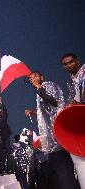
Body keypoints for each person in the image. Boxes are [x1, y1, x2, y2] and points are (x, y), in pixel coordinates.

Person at [25, 71, 79, 189]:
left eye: (35, 76)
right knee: (57, 176)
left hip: (58, 138)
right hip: (50, 142)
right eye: (30, 78)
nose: (32, 79)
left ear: (42, 77)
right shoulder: (40, 91)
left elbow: (54, 102)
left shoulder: (48, 85)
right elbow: (46, 110)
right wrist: (33, 112)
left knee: (64, 173)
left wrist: (38, 86)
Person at [61, 53, 85, 189]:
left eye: (71, 62)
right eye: (65, 64)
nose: (69, 65)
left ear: (77, 61)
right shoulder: (72, 80)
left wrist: (79, 102)